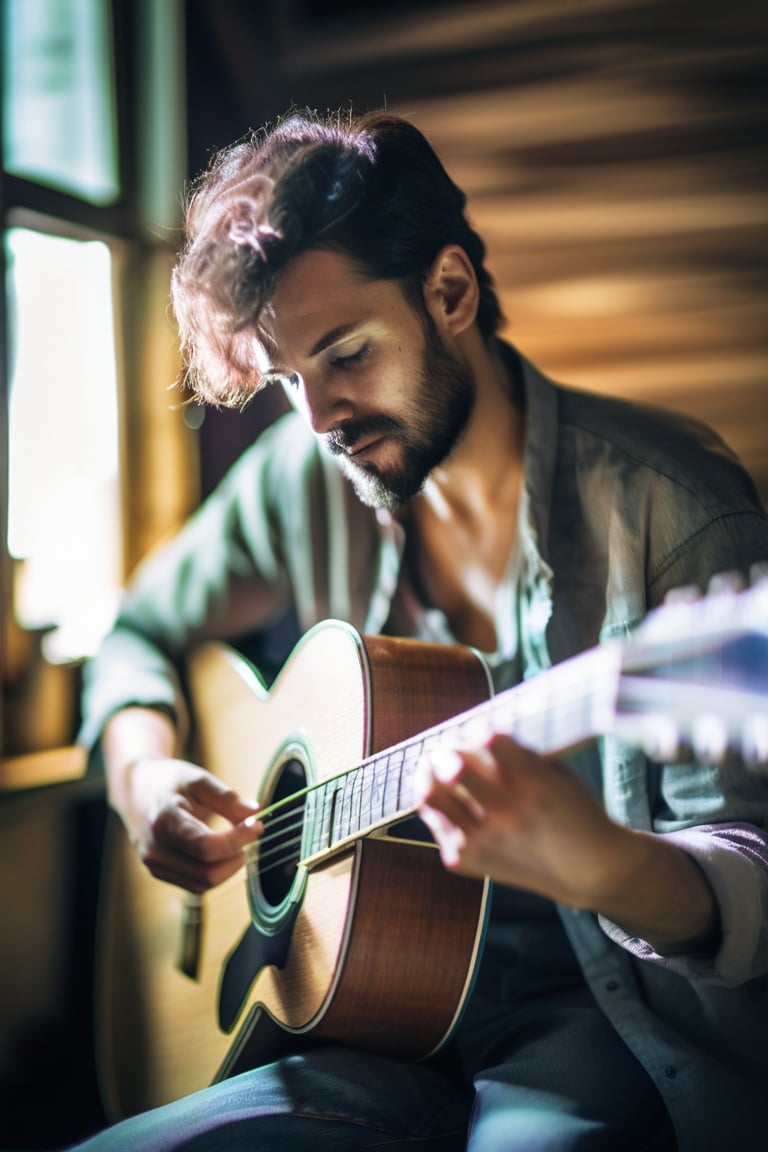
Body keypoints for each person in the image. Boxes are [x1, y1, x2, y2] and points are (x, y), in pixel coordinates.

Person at [73, 108, 768, 1151]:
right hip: (352, 1020)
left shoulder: (675, 510)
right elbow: (139, 632)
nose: (317, 421)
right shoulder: (301, 483)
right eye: (287, 381)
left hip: (601, 1024)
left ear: (451, 292)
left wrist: (608, 867)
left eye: (345, 355)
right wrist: (141, 779)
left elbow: (755, 884)